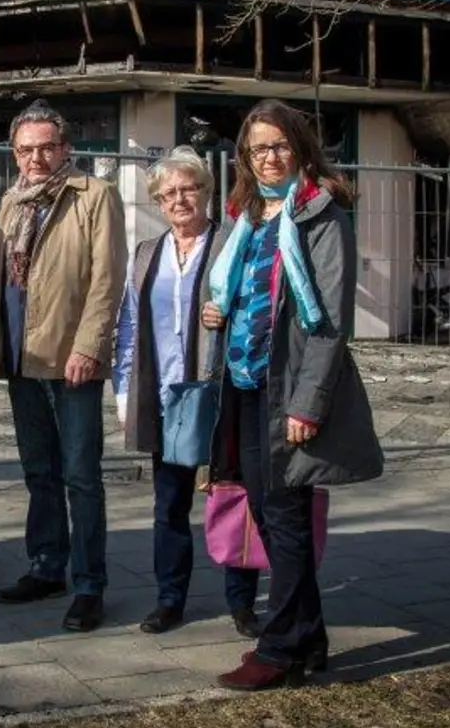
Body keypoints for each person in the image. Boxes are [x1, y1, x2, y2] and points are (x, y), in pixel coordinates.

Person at [200, 99, 384, 690]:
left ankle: (278, 648)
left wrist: (308, 404)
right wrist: (214, 310)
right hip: (245, 385)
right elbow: (227, 290)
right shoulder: (243, 217)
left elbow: (328, 322)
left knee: (287, 517)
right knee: (270, 513)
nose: (269, 158)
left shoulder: (322, 216)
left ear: (300, 147)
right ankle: (310, 635)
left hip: (289, 394)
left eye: (279, 145)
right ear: (245, 159)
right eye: (258, 149)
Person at [111, 146, 263, 637]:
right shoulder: (146, 254)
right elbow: (130, 324)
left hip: (223, 396)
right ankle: (169, 598)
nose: (179, 199)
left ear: (206, 192)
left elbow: (261, 310)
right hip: (167, 398)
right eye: (168, 193)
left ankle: (242, 603)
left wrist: (230, 314)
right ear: (158, 202)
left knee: (233, 498)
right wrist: (123, 389)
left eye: (189, 189)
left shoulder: (231, 244)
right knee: (169, 505)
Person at [0, 99, 128, 632]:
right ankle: (47, 566)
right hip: (23, 360)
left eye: (47, 147)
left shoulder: (94, 196)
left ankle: (89, 584)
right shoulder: (11, 202)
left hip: (71, 360)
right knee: (38, 473)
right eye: (27, 149)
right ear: (15, 153)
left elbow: (106, 278)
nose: (37, 158)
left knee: (80, 476)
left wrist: (90, 347)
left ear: (66, 148)